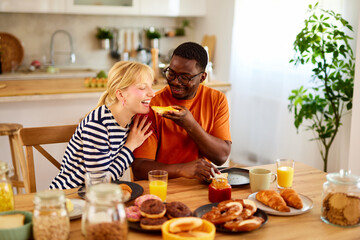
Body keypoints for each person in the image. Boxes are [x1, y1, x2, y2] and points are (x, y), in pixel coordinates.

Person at [132, 42, 232, 182]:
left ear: (202, 77)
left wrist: (190, 124)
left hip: (198, 185)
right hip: (161, 185)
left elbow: (221, 157)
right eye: (171, 73)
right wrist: (182, 169)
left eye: (185, 77)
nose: (176, 82)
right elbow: (140, 167)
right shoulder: (151, 105)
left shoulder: (216, 99)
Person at [50, 61, 155, 189]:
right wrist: (130, 146)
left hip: (98, 195)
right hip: (69, 196)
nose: (152, 93)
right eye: (142, 87)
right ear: (121, 95)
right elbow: (99, 184)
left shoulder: (131, 122)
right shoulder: (98, 125)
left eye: (151, 86)